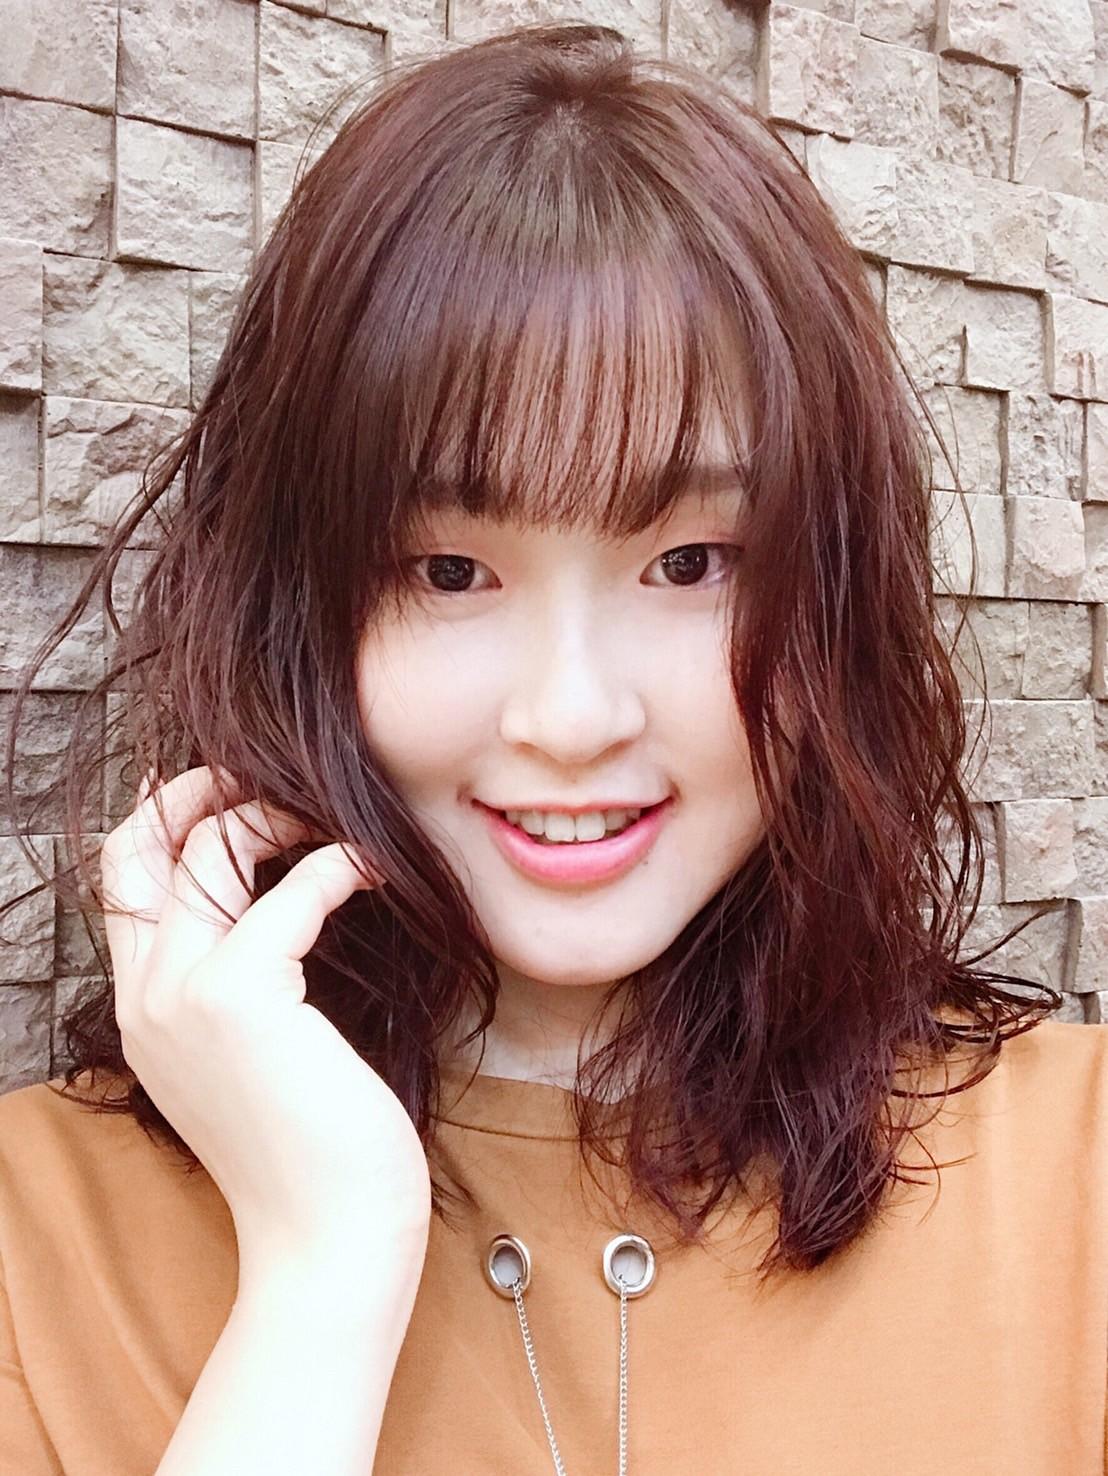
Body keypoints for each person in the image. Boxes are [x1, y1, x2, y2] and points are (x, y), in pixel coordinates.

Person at [0, 19, 1105, 1476]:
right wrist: (321, 1270)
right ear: (293, 604)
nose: (573, 720)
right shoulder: (38, 1241)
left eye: (692, 562)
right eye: (448, 570)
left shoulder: (1075, 1180)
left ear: (834, 588)